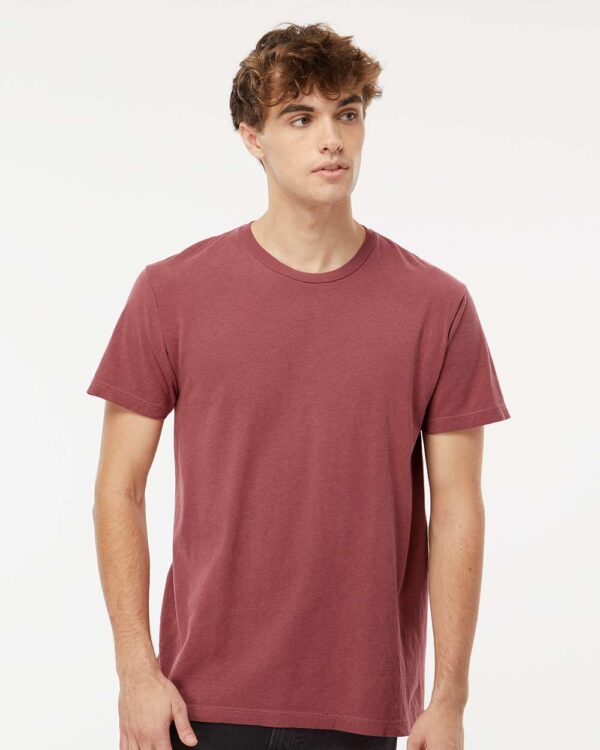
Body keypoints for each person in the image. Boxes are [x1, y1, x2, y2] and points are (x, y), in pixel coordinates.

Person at [86, 21, 511, 750]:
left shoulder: (436, 305)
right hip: (197, 700)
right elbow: (117, 490)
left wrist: (450, 699)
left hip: (361, 701)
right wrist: (135, 672)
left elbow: (458, 507)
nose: (332, 139)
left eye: (348, 113)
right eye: (300, 117)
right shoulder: (171, 293)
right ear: (252, 137)